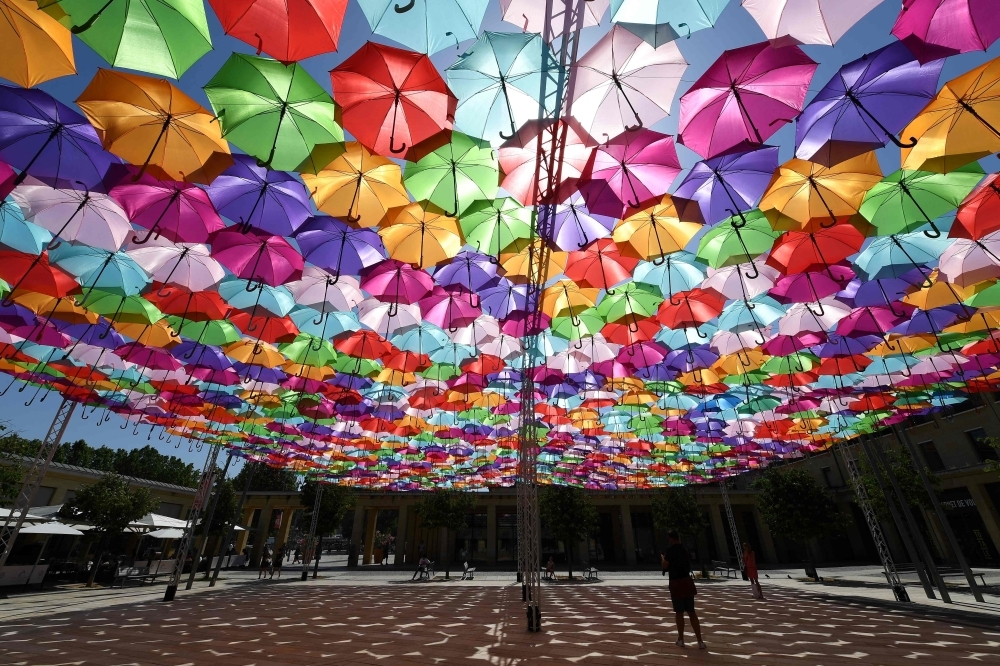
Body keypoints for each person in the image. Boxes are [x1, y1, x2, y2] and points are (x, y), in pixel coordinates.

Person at [662, 532, 705, 649]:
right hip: (687, 582)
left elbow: (665, 566)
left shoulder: (670, 551)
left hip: (676, 583)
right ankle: (700, 641)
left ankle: (681, 639)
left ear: (670, 539)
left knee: (679, 612)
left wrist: (662, 558)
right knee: (692, 611)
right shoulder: (685, 550)